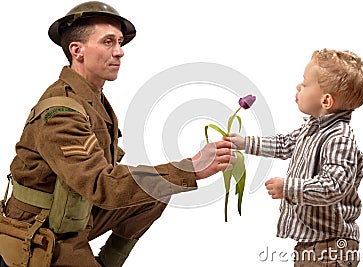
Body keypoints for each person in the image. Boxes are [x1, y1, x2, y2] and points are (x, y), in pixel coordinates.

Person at [0, 1, 235, 266]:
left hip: (76, 210)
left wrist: (179, 173)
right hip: (44, 228)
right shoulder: (61, 112)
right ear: (77, 50)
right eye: (108, 42)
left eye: (120, 42)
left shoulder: (92, 98)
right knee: (163, 180)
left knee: (156, 192)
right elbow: (103, 184)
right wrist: (189, 169)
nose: (120, 52)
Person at [225, 48, 363, 266]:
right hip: (311, 243)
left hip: (331, 246)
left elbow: (333, 187)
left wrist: (289, 188)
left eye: (304, 84)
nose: (298, 87)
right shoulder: (311, 129)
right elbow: (284, 144)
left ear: (326, 101)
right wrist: (245, 143)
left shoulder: (339, 139)